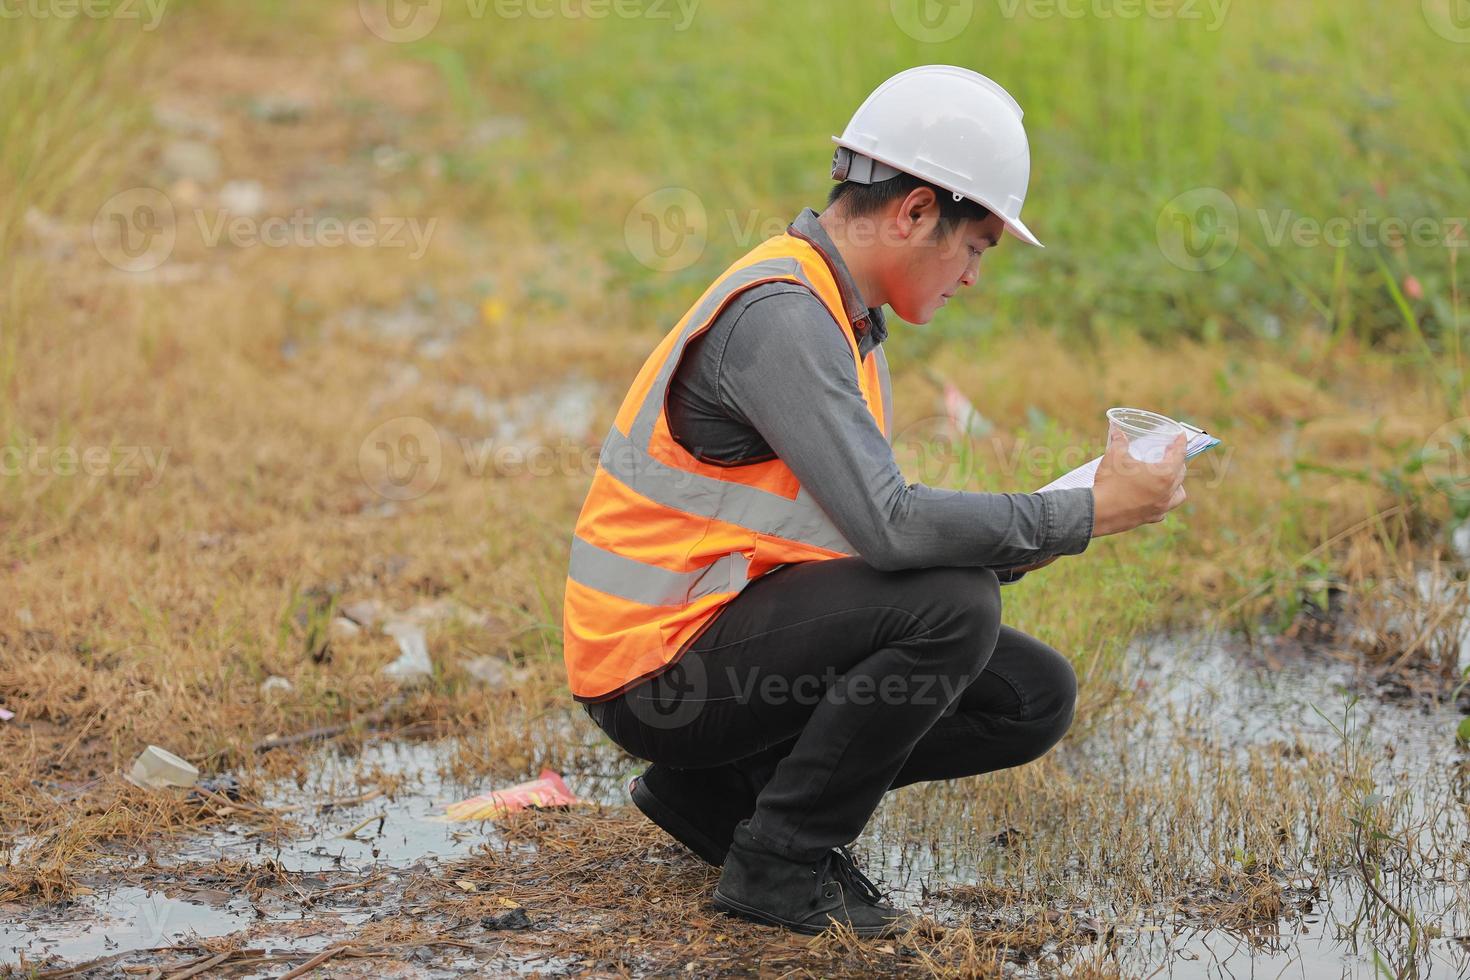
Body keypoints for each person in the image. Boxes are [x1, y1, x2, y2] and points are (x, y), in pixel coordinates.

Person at [561, 65, 1187, 937]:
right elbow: (891, 529)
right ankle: (777, 867)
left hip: (721, 634)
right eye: (975, 247)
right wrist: (1080, 515)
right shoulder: (783, 316)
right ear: (916, 210)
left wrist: (1041, 528)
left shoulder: (839, 312)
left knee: (1030, 695)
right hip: (654, 670)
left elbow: (852, 534)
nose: (972, 276)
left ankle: (717, 795)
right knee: (952, 607)